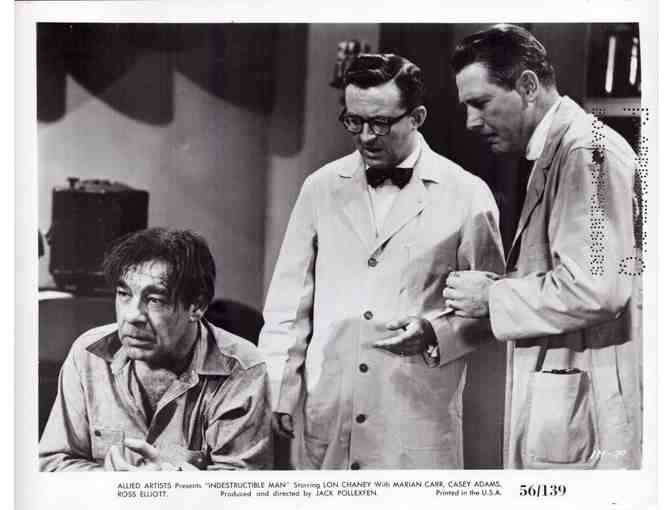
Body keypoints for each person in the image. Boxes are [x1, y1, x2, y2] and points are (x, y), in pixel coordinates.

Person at [259, 53, 504, 469]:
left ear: (417, 117)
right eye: (354, 121)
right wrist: (279, 388)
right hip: (331, 407)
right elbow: (288, 301)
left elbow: (493, 307)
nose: (366, 137)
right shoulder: (321, 187)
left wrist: (434, 332)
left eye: (380, 123)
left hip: (414, 415)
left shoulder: (467, 194)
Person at [444, 24, 641, 469]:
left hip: (594, 406)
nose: (471, 121)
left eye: (481, 103)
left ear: (528, 86)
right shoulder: (561, 151)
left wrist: (493, 296)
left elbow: (596, 289)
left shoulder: (586, 152)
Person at [39, 228, 273, 471]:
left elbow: (237, 483)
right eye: (124, 294)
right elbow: (54, 463)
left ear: (197, 306)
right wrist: (115, 482)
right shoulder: (88, 354)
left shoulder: (242, 369)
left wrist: (170, 483)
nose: (132, 316)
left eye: (155, 300)